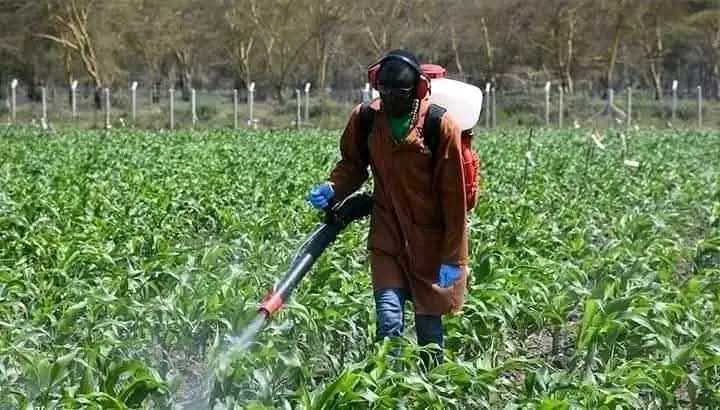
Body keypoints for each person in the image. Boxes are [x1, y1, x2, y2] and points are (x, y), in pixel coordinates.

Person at [307, 50, 469, 365]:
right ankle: (387, 382)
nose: (391, 99)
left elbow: (454, 201)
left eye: (400, 93)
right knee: (389, 319)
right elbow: (352, 165)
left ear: (418, 90)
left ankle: (432, 383)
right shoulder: (366, 118)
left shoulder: (439, 125)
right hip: (387, 235)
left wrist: (454, 258)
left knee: (429, 330)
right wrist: (333, 187)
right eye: (384, 91)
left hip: (430, 241)